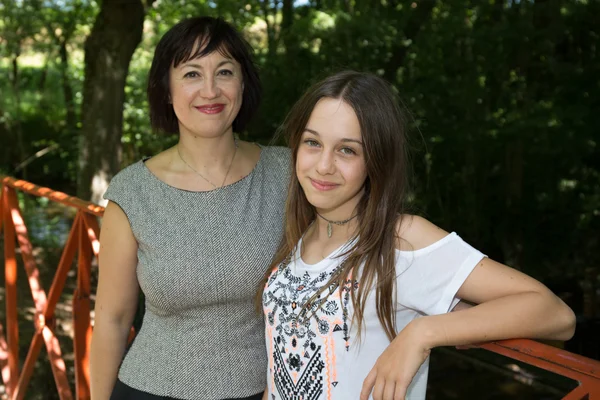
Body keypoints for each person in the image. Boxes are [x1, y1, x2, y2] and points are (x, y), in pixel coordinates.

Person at [257, 71, 576, 400]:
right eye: (313, 142)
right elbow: (278, 371)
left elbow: (555, 314)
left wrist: (422, 332)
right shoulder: (302, 233)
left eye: (347, 150)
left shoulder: (399, 239)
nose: (324, 165)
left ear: (376, 160)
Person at [90, 17, 291, 400]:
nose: (210, 90)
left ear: (243, 84)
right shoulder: (132, 191)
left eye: (225, 71)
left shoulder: (287, 174)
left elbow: (358, 239)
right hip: (150, 388)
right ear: (166, 89)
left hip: (267, 390)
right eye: (192, 73)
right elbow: (113, 321)